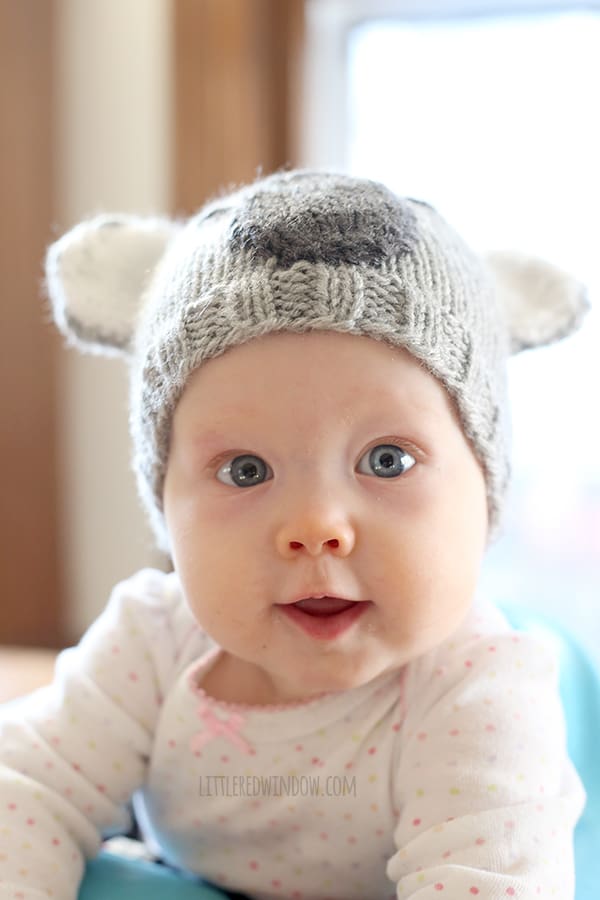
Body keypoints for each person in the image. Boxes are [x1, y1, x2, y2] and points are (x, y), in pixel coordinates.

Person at [0, 171, 589, 899]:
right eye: (246, 470)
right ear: (166, 505)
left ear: (486, 492)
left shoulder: (479, 691)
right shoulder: (153, 639)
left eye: (387, 460)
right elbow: (22, 790)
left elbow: (491, 881)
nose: (316, 529)